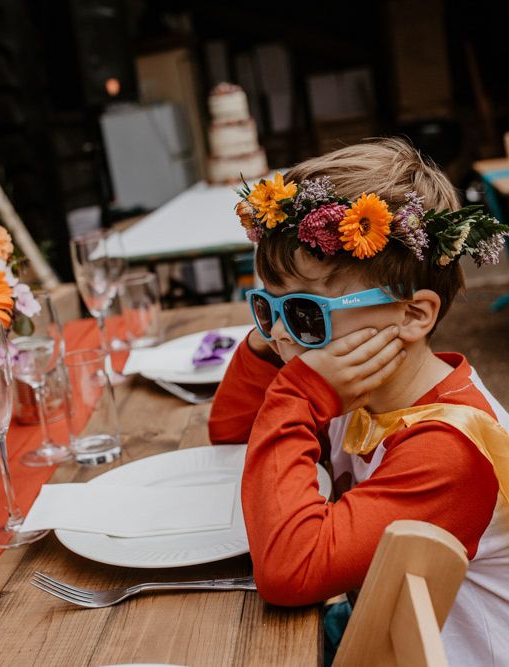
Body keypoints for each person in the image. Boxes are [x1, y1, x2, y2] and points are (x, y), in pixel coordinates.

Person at [209, 138, 509, 665]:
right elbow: (234, 433)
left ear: (414, 316)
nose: (281, 333)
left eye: (305, 312)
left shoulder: (451, 448)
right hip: (376, 630)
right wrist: (276, 331)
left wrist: (296, 393)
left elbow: (290, 570)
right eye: (264, 306)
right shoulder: (357, 377)